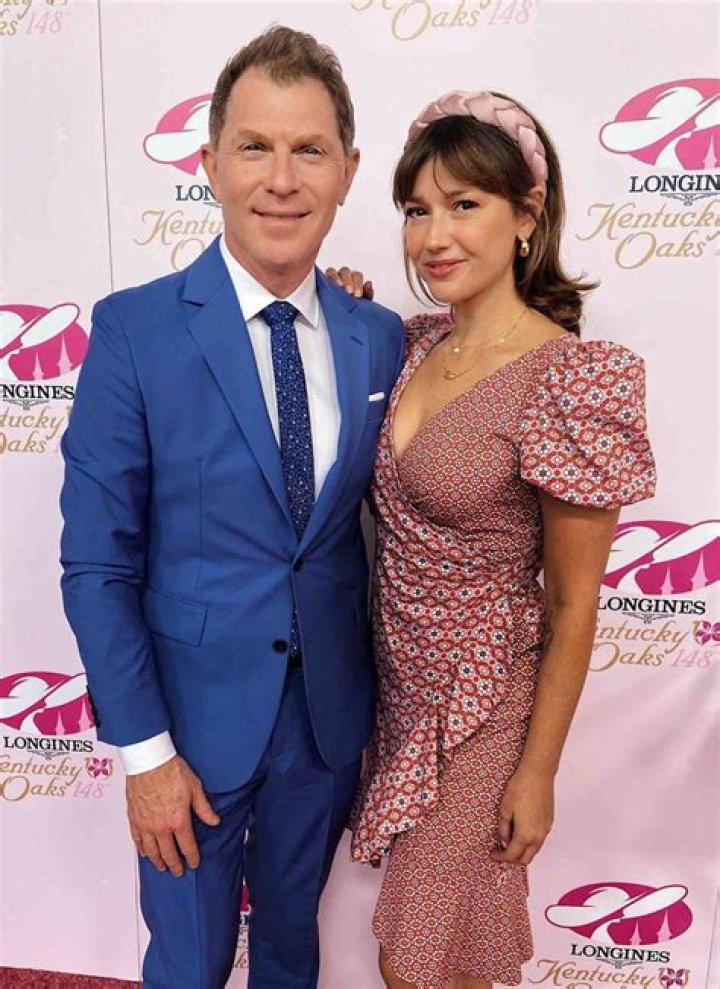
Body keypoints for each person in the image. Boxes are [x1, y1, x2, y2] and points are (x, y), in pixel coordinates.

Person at [59, 26, 405, 989]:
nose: (282, 180)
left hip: (326, 726)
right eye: (255, 146)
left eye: (310, 150)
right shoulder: (132, 331)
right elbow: (97, 564)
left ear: (348, 171)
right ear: (211, 163)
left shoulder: (379, 337)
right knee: (191, 963)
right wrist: (144, 753)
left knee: (293, 950)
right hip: (187, 731)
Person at [338, 90, 657, 989]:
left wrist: (538, 772)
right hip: (400, 697)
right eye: (416, 210)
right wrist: (341, 307)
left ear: (527, 216)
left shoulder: (569, 379)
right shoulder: (406, 345)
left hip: (486, 709)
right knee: (454, 949)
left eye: (464, 204)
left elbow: (574, 601)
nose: (433, 236)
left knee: (416, 957)